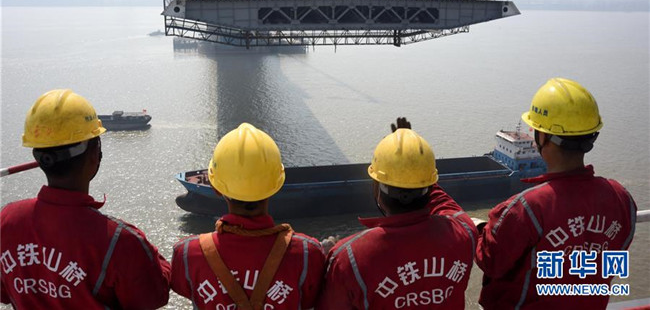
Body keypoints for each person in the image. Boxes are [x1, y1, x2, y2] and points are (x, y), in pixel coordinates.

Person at [475, 78, 637, 309]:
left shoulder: (526, 208)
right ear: (591, 137)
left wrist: (480, 229)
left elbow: (490, 261)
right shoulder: (622, 199)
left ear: (543, 137)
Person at [0, 89, 171, 309]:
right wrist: (152, 257)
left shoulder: (7, 221)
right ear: (94, 154)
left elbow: (4, 291)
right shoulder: (119, 241)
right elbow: (153, 296)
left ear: (39, 157)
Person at [317, 118, 477, 309]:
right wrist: (415, 163)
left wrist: (324, 264)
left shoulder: (349, 257)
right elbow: (442, 201)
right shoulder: (464, 231)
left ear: (377, 189)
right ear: (429, 184)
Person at [171, 123, 326, 309]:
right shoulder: (308, 254)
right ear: (276, 187)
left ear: (216, 189)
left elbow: (180, 288)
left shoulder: (188, 254)